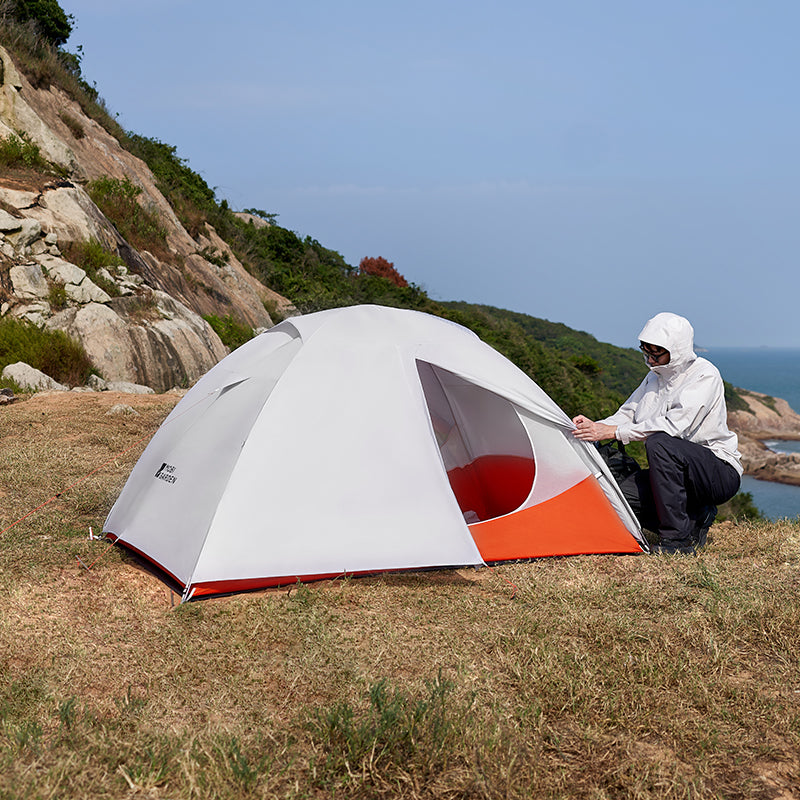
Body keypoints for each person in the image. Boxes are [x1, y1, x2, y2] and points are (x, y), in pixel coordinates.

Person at [572, 312, 742, 554]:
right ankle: (695, 520)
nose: (650, 360)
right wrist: (590, 428)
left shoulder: (704, 374)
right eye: (646, 352)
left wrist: (613, 432)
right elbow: (627, 414)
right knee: (617, 495)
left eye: (656, 353)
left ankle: (677, 543)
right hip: (675, 473)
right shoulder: (654, 377)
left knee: (660, 443)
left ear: (677, 349)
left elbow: (673, 426)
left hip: (716, 471)